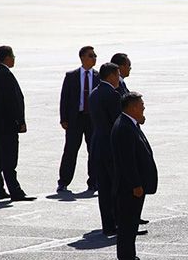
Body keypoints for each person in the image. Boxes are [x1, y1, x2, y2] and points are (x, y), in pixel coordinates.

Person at [110, 92, 157, 260]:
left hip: (132, 187)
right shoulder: (124, 127)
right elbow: (127, 161)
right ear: (132, 107)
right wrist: (136, 184)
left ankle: (131, 258)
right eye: (141, 105)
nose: (144, 108)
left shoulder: (130, 124)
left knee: (131, 226)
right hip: (129, 188)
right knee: (127, 227)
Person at [0, 45, 35, 201]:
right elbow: (14, 101)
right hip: (8, 124)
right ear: (7, 57)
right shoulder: (6, 75)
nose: (14, 59)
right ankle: (15, 191)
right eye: (13, 56)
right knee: (9, 159)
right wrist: (20, 121)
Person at [110, 53, 149, 227]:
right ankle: (124, 223)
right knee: (126, 210)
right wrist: (136, 183)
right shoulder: (115, 90)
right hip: (128, 180)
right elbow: (128, 160)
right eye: (128, 65)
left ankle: (132, 220)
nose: (130, 68)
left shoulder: (122, 85)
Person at [57, 46, 100, 193]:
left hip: (92, 119)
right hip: (75, 119)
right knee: (70, 150)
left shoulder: (98, 76)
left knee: (93, 150)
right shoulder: (71, 76)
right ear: (82, 58)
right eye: (91, 56)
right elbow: (64, 98)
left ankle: (93, 181)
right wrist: (63, 118)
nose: (94, 58)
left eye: (95, 56)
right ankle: (63, 181)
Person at [89, 62, 121, 236]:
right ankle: (118, 222)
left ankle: (108, 224)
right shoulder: (112, 95)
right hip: (110, 146)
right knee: (116, 187)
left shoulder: (94, 93)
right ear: (111, 76)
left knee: (104, 188)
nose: (118, 79)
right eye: (117, 75)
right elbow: (116, 122)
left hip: (97, 145)